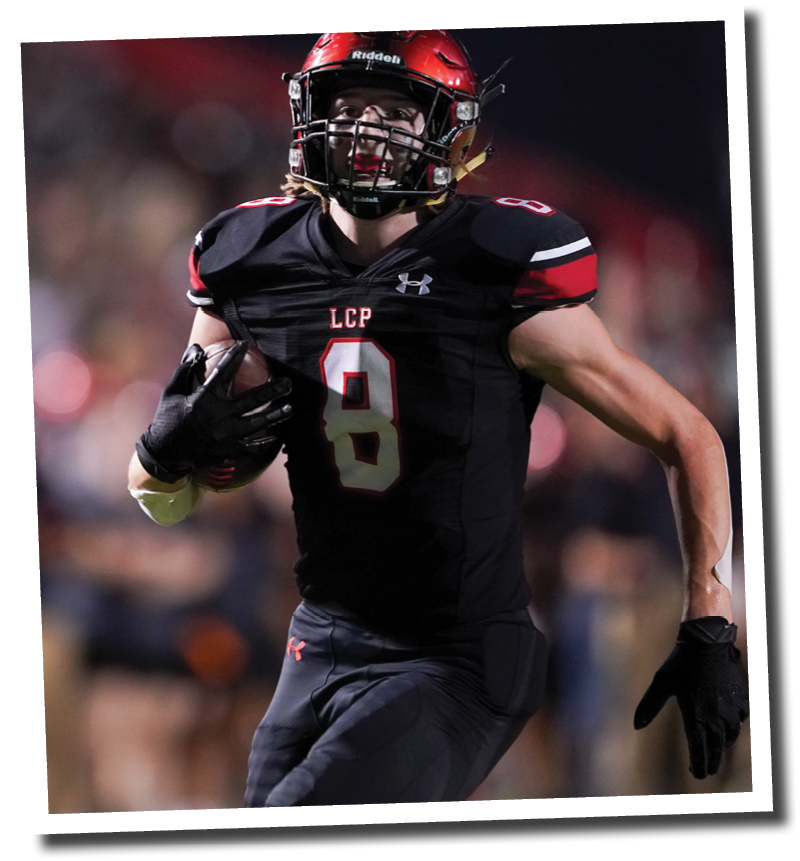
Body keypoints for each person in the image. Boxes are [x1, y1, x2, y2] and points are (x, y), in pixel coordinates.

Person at [128, 30, 749, 806]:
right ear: (309, 114)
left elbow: (687, 433)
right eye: (349, 105)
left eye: (395, 112)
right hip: (318, 641)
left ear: (446, 132)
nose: (366, 128)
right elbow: (165, 495)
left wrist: (709, 621)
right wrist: (164, 454)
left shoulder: (493, 264)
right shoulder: (251, 262)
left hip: (456, 654)